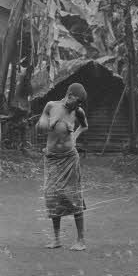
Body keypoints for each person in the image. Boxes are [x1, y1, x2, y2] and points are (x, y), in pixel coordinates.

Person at [37, 83, 89, 250]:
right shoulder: (51, 106)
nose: (78, 105)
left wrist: (74, 137)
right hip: (52, 159)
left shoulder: (78, 112)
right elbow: (41, 124)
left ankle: (80, 240)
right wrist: (43, 123)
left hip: (69, 159)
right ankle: (56, 239)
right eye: (78, 101)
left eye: (81, 103)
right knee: (53, 197)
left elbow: (84, 125)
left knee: (74, 197)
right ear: (70, 95)